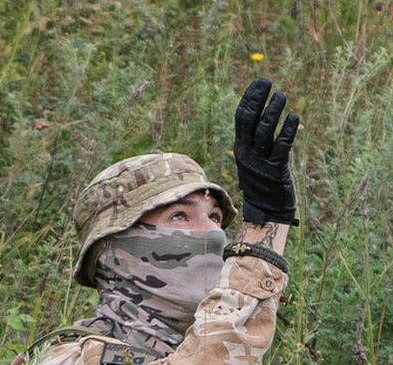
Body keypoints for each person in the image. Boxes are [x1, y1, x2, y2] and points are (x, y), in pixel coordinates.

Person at [15, 78, 300, 364]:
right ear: (111, 252)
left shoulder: (205, 347)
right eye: (179, 216)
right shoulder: (71, 355)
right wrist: (260, 242)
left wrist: (269, 220)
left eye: (215, 217)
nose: (214, 233)